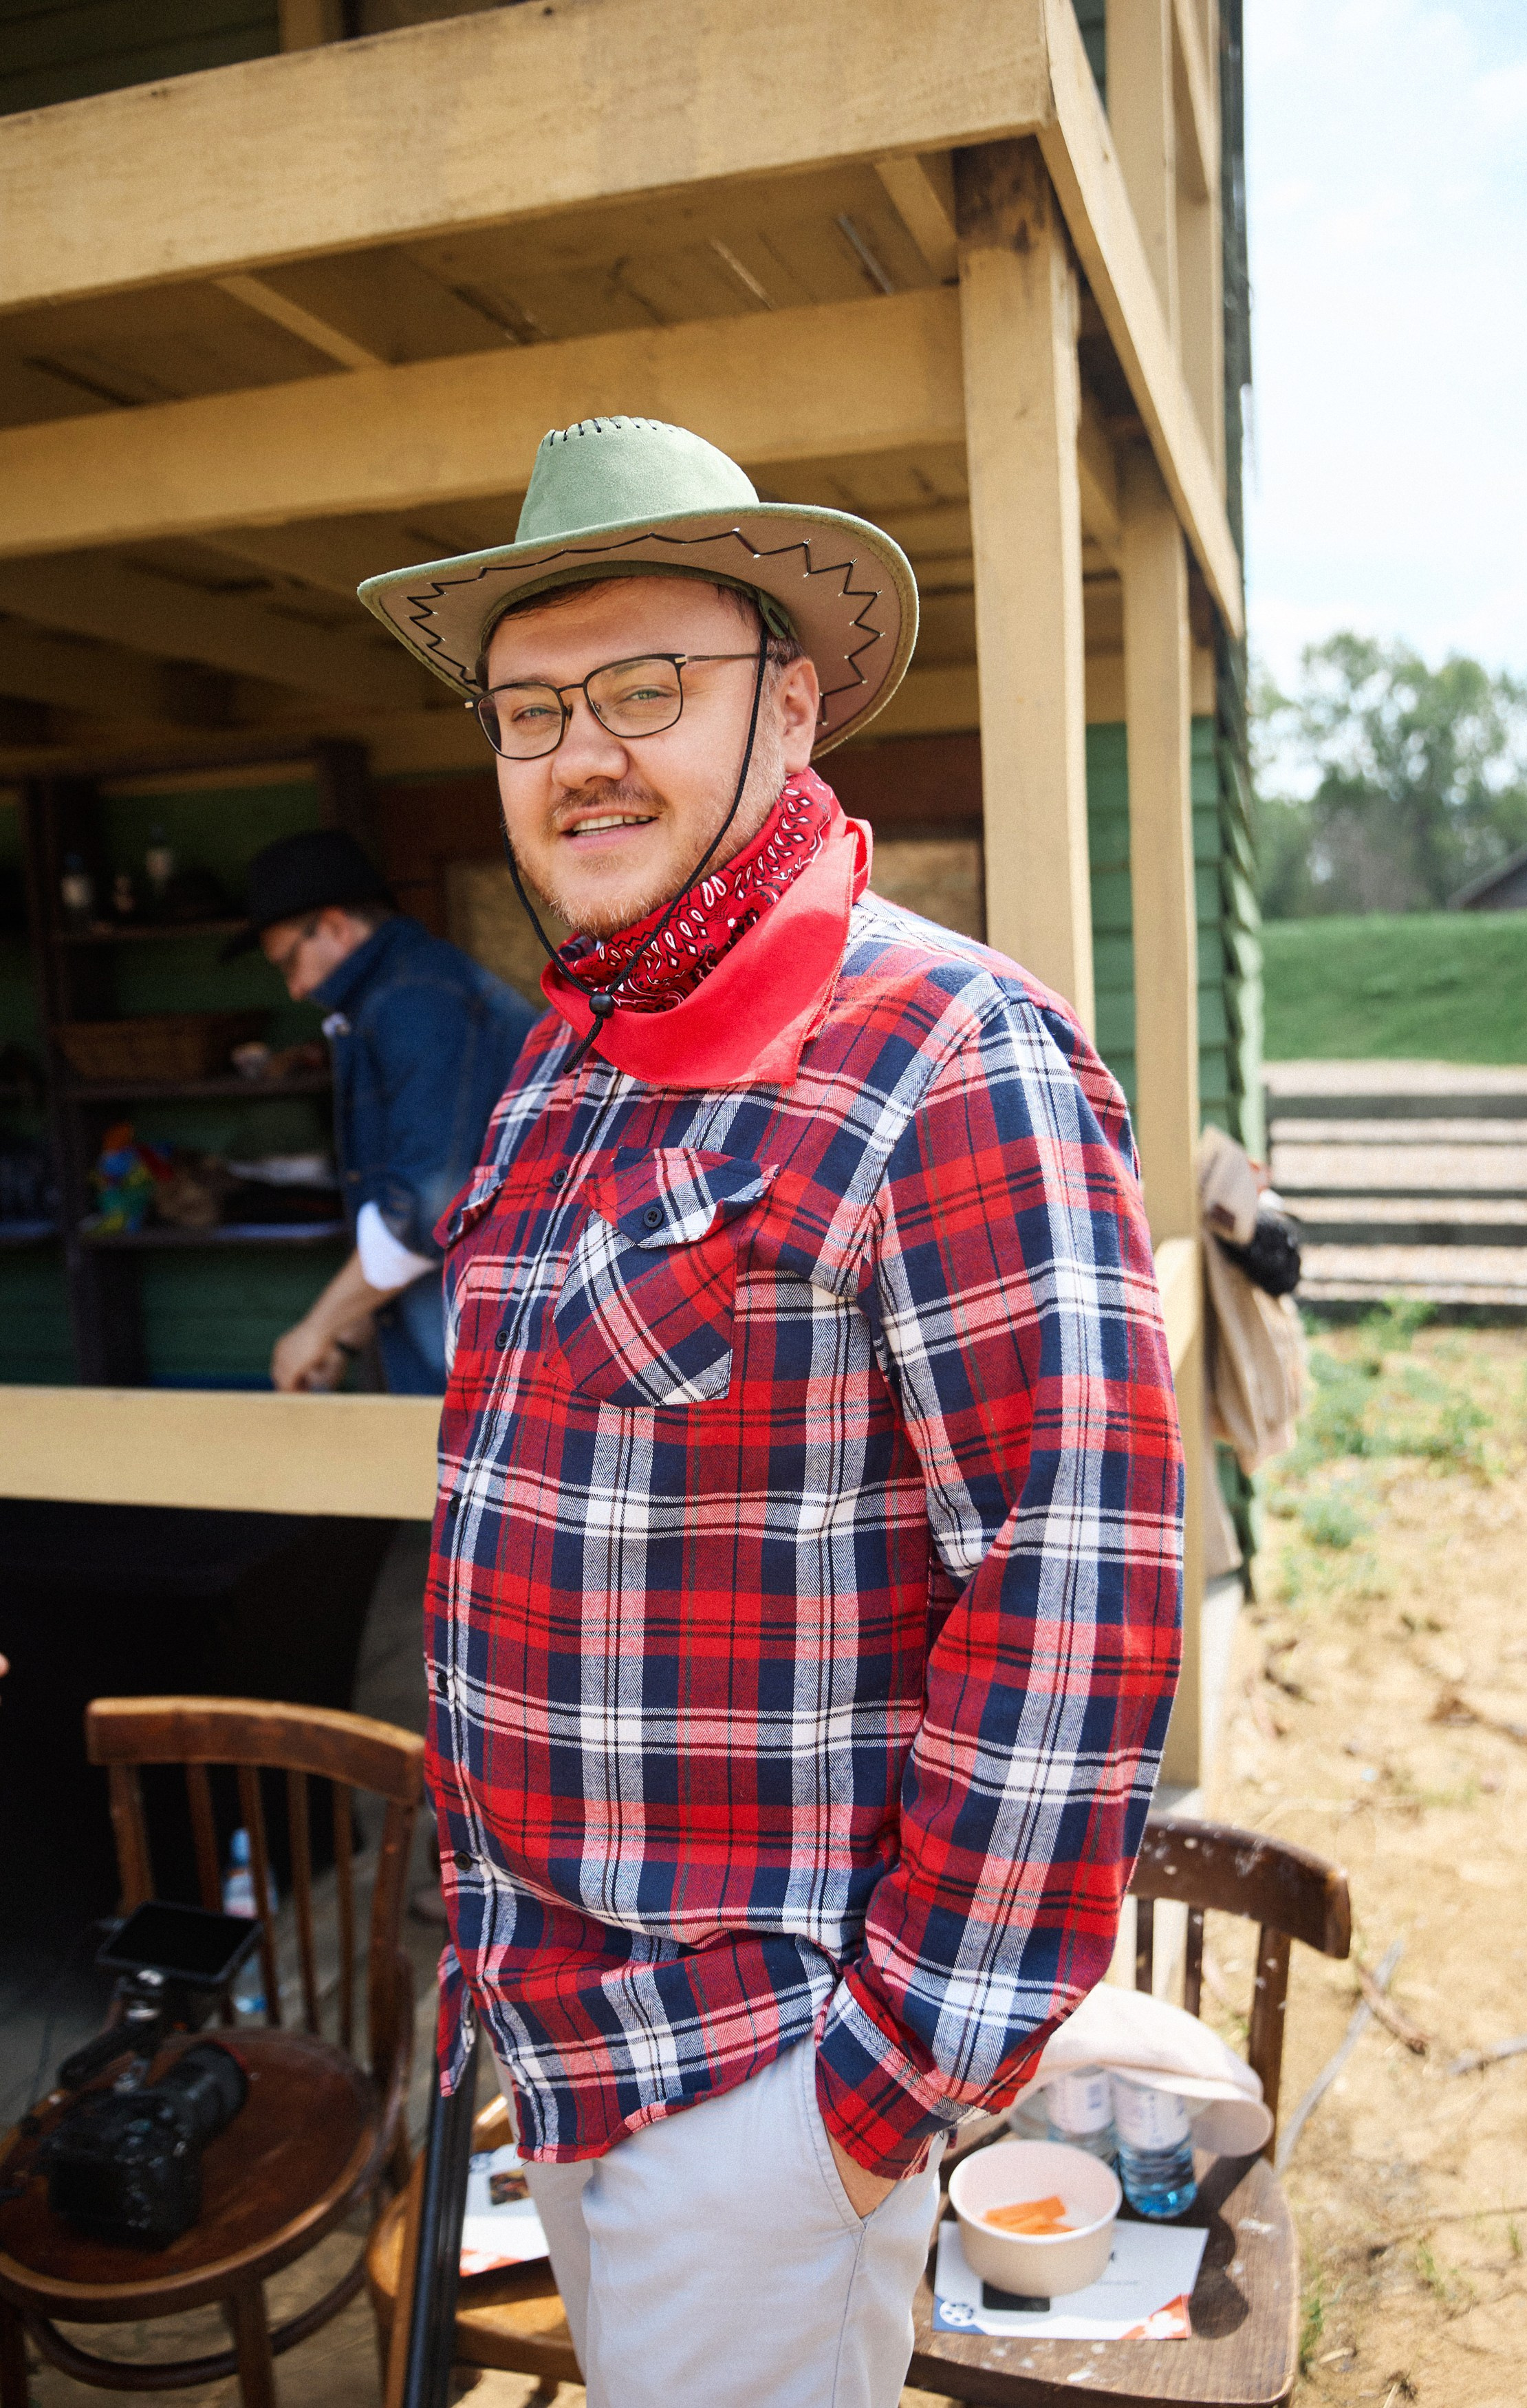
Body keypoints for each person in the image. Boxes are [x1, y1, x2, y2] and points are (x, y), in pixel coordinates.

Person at [359, 417, 1185, 2408]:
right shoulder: (572, 1070)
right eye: (532, 705)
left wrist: (875, 2087)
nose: (580, 752)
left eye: (647, 686)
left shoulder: (942, 1049)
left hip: (758, 2067)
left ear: (790, 706)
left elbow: (1066, 1594)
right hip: (556, 2023)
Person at [226, 829, 534, 1394]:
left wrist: (319, 1326)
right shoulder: (397, 995)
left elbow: (428, 1200)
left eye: (288, 961)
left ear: (337, 926)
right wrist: (346, 1334)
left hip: (495, 1342)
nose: (293, 990)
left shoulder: (416, 1002)